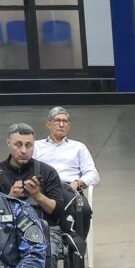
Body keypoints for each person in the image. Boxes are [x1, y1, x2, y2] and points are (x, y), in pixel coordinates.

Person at [35, 105, 101, 254]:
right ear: (48, 124)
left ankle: (77, 247)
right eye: (57, 120)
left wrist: (79, 182)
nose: (61, 124)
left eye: (65, 121)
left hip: (69, 188)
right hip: (44, 189)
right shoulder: (36, 146)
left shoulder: (78, 147)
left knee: (84, 210)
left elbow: (93, 173)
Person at [0, 123, 66, 220]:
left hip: (43, 230)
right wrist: (10, 197)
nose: (24, 150)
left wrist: (37, 196)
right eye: (18, 145)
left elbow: (59, 212)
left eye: (28, 145)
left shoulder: (47, 172)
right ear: (8, 143)